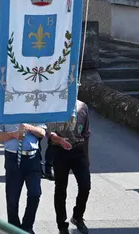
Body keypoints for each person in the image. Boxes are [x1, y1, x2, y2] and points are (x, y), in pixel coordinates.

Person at [0, 121, 47, 233]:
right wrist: (13, 134)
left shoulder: (34, 112)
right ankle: (14, 229)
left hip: (32, 158)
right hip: (12, 157)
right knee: (12, 198)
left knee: (35, 193)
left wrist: (29, 127)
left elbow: (42, 132)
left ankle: (27, 227)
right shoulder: (4, 113)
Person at [48, 100, 91, 234]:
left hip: (78, 150)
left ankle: (77, 216)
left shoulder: (83, 107)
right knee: (61, 188)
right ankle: (62, 225)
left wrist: (87, 156)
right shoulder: (54, 106)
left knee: (85, 186)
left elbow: (86, 134)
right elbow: (48, 133)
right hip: (60, 150)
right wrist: (59, 140)